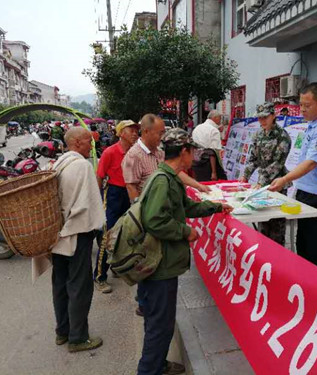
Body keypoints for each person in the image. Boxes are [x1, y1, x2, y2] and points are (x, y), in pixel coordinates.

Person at [137, 128, 232, 375]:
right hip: (160, 265)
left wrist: (215, 207)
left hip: (163, 262)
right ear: (183, 152)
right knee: (160, 324)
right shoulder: (162, 180)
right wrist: (185, 232)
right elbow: (154, 220)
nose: (195, 156)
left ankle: (158, 364)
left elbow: (185, 206)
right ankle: (149, 370)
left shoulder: (170, 176)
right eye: (193, 151)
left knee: (160, 321)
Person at [122, 114, 211, 316]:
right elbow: (133, 188)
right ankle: (145, 304)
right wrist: (184, 230)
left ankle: (148, 304)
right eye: (159, 132)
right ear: (146, 132)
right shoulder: (137, 157)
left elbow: (177, 174)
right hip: (150, 222)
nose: (162, 136)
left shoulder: (160, 155)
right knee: (158, 308)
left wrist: (199, 189)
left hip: (160, 216)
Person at [269, 82, 317, 270]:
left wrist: (285, 179)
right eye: (300, 104)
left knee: (314, 251)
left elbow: (311, 162)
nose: (302, 109)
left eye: (307, 105)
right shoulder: (314, 123)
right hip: (307, 190)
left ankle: (316, 290)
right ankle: (305, 284)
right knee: (303, 244)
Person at [51, 127, 105, 352]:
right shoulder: (82, 165)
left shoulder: (59, 163)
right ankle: (78, 338)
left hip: (56, 234)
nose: (91, 143)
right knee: (79, 286)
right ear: (76, 142)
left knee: (60, 284)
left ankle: (62, 332)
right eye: (87, 140)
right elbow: (92, 202)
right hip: (78, 232)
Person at [94, 120, 140, 293]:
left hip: (131, 194)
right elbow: (99, 176)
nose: (135, 133)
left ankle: (117, 268)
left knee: (125, 234)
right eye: (131, 130)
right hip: (114, 194)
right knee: (108, 237)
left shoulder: (136, 153)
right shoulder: (110, 152)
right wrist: (97, 201)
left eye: (136, 130)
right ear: (121, 133)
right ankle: (99, 277)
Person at [239, 102, 291, 245]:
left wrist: (262, 181)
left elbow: (278, 163)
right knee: (262, 225)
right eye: (259, 118)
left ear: (273, 116)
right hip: (261, 187)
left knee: (276, 227)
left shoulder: (282, 136)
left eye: (265, 117)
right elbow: (253, 159)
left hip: (277, 185)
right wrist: (245, 176)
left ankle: (278, 261)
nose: (261, 121)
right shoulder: (257, 135)